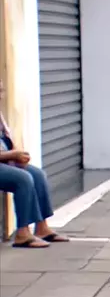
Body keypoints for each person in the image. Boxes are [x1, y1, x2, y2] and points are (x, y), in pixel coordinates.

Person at [0, 81, 69, 248]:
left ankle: (42, 228)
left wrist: (16, 156)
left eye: (1, 90)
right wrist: (13, 155)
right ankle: (22, 234)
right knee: (23, 179)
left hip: (5, 161)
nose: (1, 95)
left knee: (37, 175)